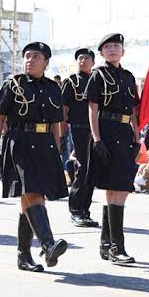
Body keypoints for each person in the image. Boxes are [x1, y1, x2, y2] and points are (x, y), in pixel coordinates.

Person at [0, 41, 68, 272]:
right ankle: (48, 244)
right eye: (27, 56)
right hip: (20, 142)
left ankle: (24, 255)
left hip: (45, 145)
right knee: (32, 193)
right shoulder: (12, 84)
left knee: (33, 198)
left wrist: (56, 150)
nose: (30, 60)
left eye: (36, 56)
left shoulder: (54, 88)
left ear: (46, 62)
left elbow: (56, 125)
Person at [86, 33, 141, 264]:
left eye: (116, 46)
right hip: (107, 131)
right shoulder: (98, 75)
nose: (112, 50)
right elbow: (92, 108)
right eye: (107, 47)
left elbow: (134, 112)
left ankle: (107, 244)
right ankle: (117, 247)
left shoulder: (129, 77)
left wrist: (138, 138)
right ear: (101, 53)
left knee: (118, 190)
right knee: (116, 189)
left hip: (126, 132)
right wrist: (97, 139)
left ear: (123, 51)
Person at [64, 47, 99, 227]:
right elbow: (63, 109)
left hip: (98, 130)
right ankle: (75, 210)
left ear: (93, 62)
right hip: (79, 128)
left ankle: (85, 210)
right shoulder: (71, 81)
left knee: (92, 170)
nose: (83, 61)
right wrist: (61, 133)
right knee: (84, 168)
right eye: (80, 58)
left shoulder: (97, 79)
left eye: (86, 58)